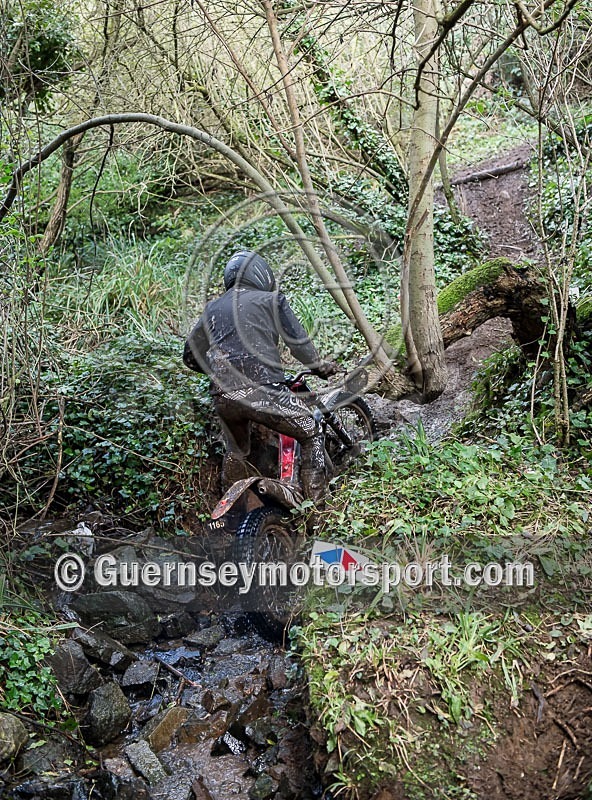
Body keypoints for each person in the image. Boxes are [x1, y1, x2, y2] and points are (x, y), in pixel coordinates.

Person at [183, 250, 338, 506]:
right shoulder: (271, 300)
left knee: (236, 451)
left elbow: (190, 356)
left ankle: (233, 512)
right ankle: (318, 510)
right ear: (260, 274)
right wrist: (320, 367)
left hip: (223, 398)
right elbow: (298, 344)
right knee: (311, 431)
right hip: (265, 391)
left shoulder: (212, 308)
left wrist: (221, 373)